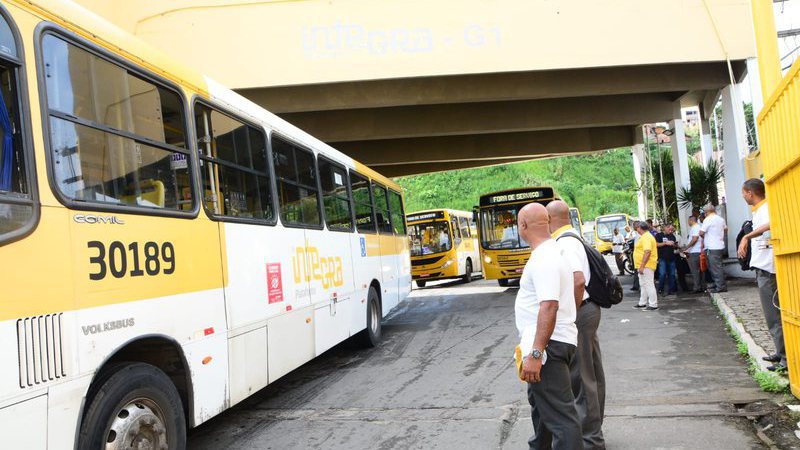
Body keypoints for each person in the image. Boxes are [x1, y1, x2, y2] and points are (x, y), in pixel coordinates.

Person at [515, 203, 582, 450]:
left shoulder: (544, 257)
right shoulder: (552, 253)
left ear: (523, 226)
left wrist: (536, 352)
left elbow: (549, 306)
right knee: (542, 411)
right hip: (552, 343)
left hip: (547, 349)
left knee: (562, 419)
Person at [547, 201, 606, 450]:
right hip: (587, 310)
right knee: (591, 373)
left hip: (580, 313)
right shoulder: (573, 238)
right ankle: (592, 432)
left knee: (582, 378)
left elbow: (578, 280)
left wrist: (569, 313)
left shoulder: (565, 244)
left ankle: (590, 439)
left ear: (550, 219)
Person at [739, 179, 786, 372]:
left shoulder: (766, 208)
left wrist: (746, 236)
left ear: (750, 193)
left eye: (743, 193)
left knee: (774, 315)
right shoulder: (759, 210)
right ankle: (779, 351)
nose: (743, 196)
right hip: (763, 267)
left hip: (768, 268)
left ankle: (784, 358)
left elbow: (771, 224)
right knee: (771, 316)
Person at [699, 204, 728, 293]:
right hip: (719, 245)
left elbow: (701, 232)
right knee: (716, 266)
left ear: (706, 212)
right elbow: (726, 229)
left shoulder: (708, 220)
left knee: (715, 267)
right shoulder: (720, 219)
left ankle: (720, 286)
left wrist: (707, 237)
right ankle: (718, 284)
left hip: (712, 246)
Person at [633, 221, 659, 310]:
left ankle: (653, 304)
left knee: (648, 284)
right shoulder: (644, 236)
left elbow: (647, 252)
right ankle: (642, 302)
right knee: (643, 284)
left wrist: (642, 266)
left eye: (637, 227)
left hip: (646, 265)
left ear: (640, 228)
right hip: (643, 265)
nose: (637, 228)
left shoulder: (646, 237)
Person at [682, 216, 706, 293]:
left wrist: (687, 247)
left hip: (695, 252)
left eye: (688, 221)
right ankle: (702, 286)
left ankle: (697, 288)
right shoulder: (699, 227)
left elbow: (695, 239)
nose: (688, 222)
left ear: (691, 220)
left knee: (695, 271)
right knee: (700, 270)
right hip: (698, 251)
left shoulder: (695, 227)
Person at [655, 224, 678, 295]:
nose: (671, 231)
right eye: (669, 229)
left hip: (671, 258)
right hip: (662, 258)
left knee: (672, 274)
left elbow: (675, 247)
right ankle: (660, 289)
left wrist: (674, 245)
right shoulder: (658, 235)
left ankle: (671, 290)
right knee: (662, 274)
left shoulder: (672, 236)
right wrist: (665, 243)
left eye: (671, 229)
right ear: (664, 228)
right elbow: (656, 244)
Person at [629, 221, 641, 292]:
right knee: (636, 271)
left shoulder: (641, 235)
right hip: (636, 257)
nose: (633, 226)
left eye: (634, 225)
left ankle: (637, 286)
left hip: (640, 258)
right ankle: (636, 285)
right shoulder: (637, 235)